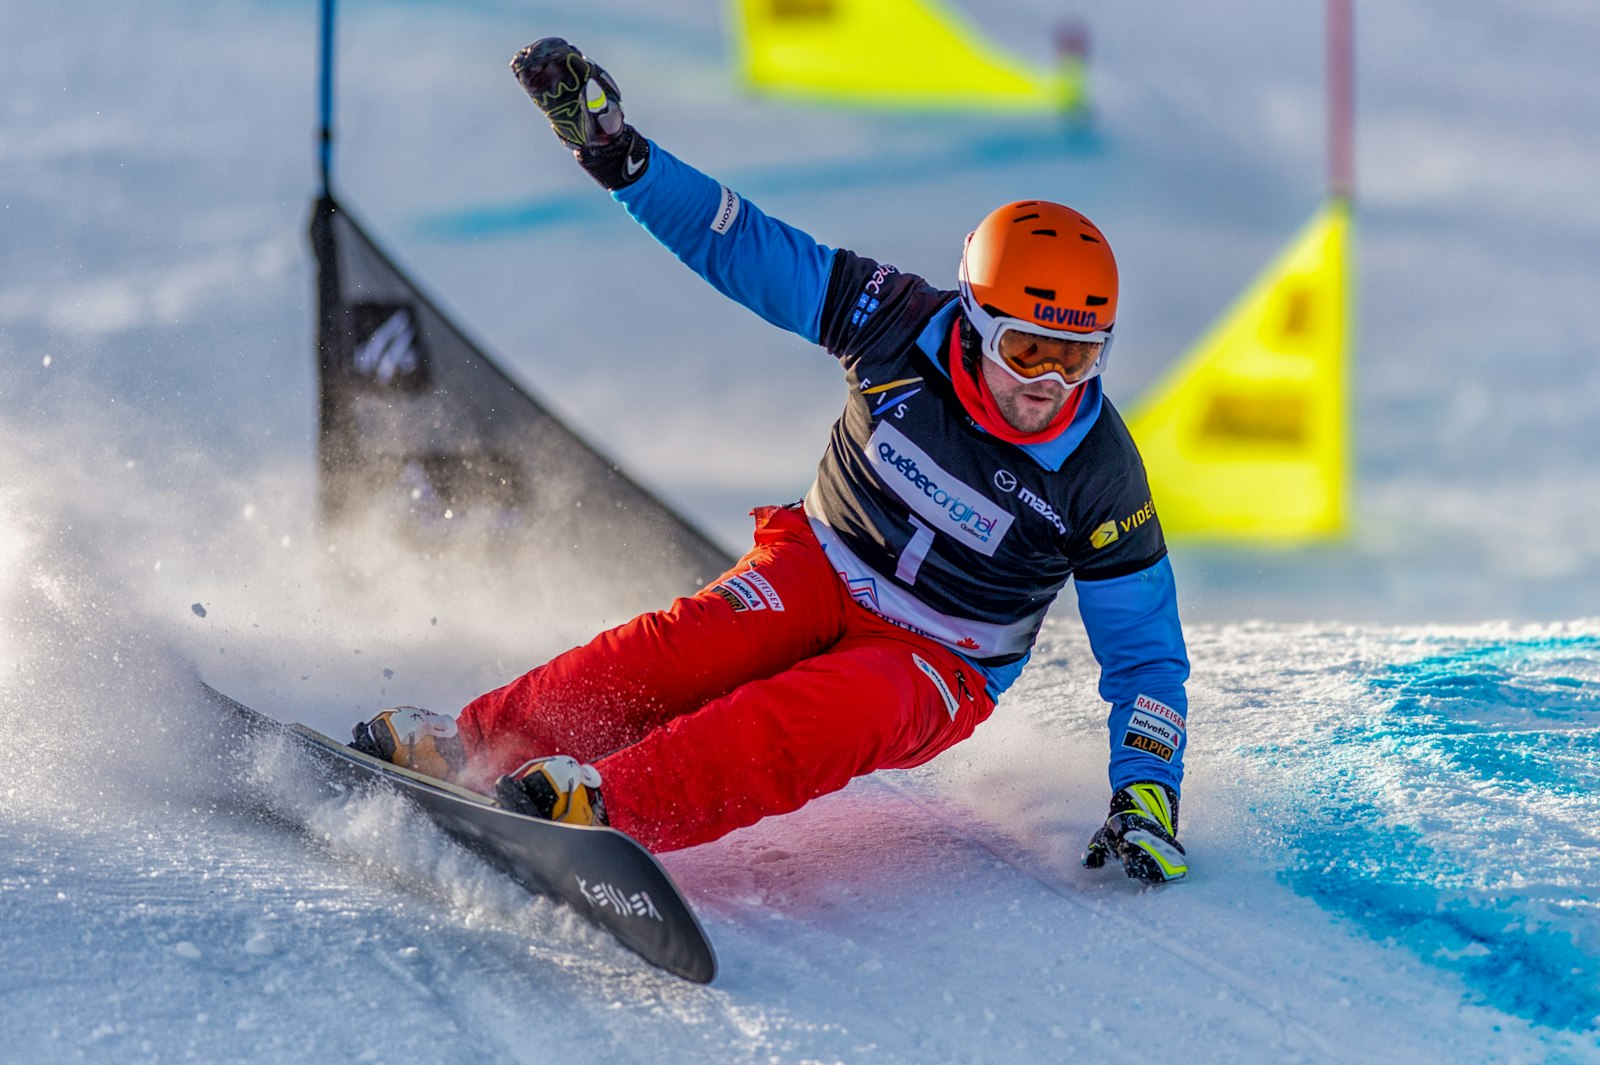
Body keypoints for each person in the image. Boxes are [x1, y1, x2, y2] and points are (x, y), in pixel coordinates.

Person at [353, 38, 1192, 884]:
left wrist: (1147, 796)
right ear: (974, 319)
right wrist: (621, 157)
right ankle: (476, 743)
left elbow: (1146, 653)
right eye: (1026, 349)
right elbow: (749, 245)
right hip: (819, 563)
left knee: (813, 714)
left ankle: (608, 805)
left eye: (1078, 358)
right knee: (690, 648)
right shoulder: (893, 320)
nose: (1048, 383)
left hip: (941, 657)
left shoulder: (1098, 469)